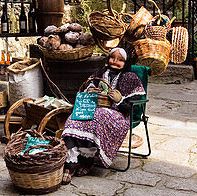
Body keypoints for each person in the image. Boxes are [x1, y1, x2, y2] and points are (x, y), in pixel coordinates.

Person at [61, 47, 145, 183]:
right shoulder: (99, 72)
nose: (115, 61)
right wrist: (90, 90)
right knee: (74, 118)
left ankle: (87, 161)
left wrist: (120, 100)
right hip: (94, 109)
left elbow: (132, 106)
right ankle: (71, 163)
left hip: (118, 115)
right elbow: (85, 89)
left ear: (126, 62)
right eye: (112, 57)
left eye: (120, 60)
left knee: (95, 119)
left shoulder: (130, 78)